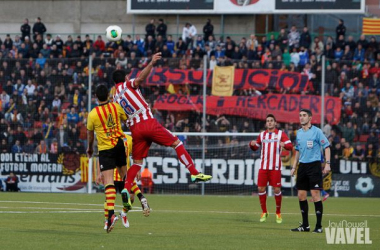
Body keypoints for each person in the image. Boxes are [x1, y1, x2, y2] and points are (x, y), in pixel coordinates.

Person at [111, 52, 212, 209]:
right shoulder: (128, 84)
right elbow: (140, 79)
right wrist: (151, 63)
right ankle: (193, 172)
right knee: (177, 143)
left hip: (135, 129)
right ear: (124, 78)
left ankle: (126, 188)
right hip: (147, 122)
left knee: (137, 163)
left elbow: (122, 117)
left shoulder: (115, 98)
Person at [87, 84, 128, 233]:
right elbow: (125, 119)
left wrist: (90, 148)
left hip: (105, 149)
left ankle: (110, 215)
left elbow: (90, 135)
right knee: (125, 177)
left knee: (109, 181)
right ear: (109, 97)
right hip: (118, 144)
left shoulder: (92, 114)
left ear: (96, 97)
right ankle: (127, 201)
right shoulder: (116, 107)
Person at [290, 109, 331, 233]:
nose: (301, 118)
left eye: (304, 115)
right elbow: (297, 150)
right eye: (300, 115)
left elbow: (327, 147)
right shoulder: (299, 133)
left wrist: (327, 164)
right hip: (302, 166)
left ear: (310, 118)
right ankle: (305, 225)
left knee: (315, 195)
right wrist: (293, 166)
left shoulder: (317, 131)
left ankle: (318, 226)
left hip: (314, 165)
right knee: (301, 195)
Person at [249, 114, 293, 224]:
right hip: (263, 167)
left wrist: (285, 145)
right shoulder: (262, 135)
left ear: (275, 123)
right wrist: (252, 144)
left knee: (277, 190)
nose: (269, 122)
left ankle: (278, 212)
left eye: (271, 121)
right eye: (267, 121)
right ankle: (264, 212)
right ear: (266, 123)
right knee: (260, 189)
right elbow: (256, 148)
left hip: (275, 167)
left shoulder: (280, 134)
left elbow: (290, 146)